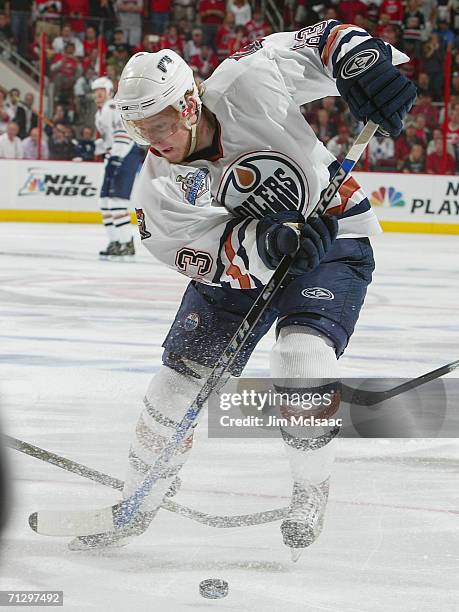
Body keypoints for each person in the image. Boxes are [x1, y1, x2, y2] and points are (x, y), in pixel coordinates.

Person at [70, 20, 416, 555]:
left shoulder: (246, 81)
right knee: (172, 390)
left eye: (158, 123)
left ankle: (310, 485)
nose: (152, 141)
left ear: (188, 104)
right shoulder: (157, 187)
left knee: (302, 361)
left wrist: (361, 63)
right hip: (239, 262)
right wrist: (269, 243)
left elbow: (322, 40)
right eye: (140, 128)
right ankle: (142, 495)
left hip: (333, 233)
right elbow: (202, 254)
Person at [92, 76, 139, 260]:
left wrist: (117, 159)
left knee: (117, 202)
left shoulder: (112, 106)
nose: (97, 95)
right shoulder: (99, 113)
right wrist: (89, 146)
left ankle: (126, 243)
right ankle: (115, 242)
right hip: (115, 156)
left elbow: (123, 133)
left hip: (126, 154)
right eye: (95, 92)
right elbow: (107, 142)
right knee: (104, 202)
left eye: (101, 91)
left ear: (109, 92)